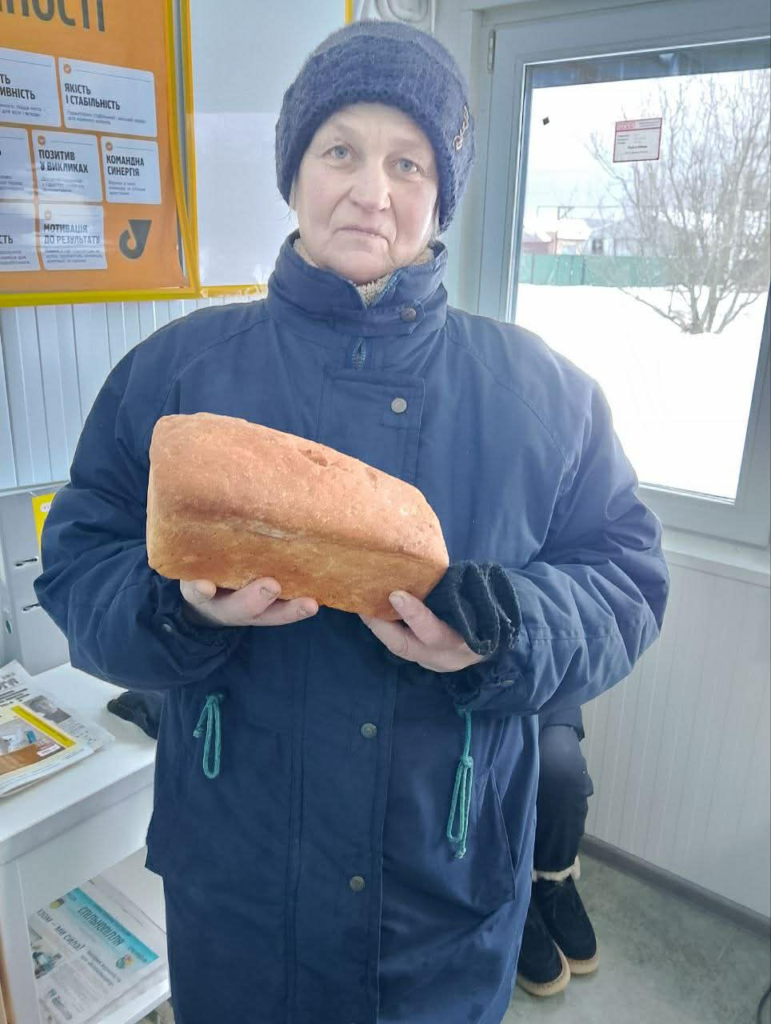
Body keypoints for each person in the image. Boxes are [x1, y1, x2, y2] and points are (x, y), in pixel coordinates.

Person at [34, 20, 669, 1024]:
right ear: (295, 174)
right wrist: (177, 611)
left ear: (442, 191)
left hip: (438, 911)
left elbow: (628, 583)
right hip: (237, 899)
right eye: (340, 150)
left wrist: (507, 627)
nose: (371, 189)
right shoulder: (179, 374)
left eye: (407, 161)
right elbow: (76, 562)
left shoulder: (547, 396)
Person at [516, 706, 598, 997]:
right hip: (461, 695)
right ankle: (509, 900)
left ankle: (553, 881)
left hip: (540, 688)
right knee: (494, 785)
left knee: (563, 770)